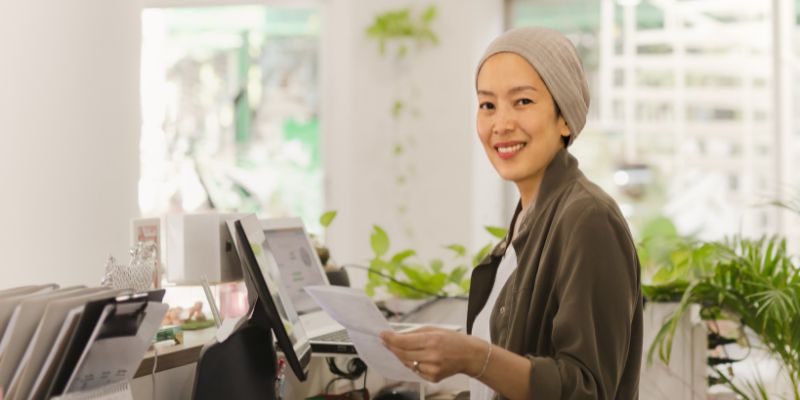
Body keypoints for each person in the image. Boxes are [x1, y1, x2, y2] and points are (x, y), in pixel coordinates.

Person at [380, 27, 643, 400]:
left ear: (564, 118)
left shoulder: (588, 219)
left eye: (522, 102)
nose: (500, 124)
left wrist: (474, 357)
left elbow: (587, 389)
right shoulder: (529, 219)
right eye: (488, 105)